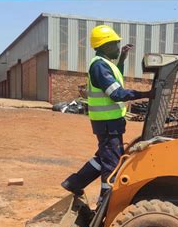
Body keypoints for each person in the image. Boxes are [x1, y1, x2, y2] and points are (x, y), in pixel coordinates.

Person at [61, 25, 153, 201]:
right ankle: (106, 200)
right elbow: (116, 93)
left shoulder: (105, 65)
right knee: (111, 164)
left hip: (108, 122)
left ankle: (74, 182)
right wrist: (146, 94)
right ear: (104, 46)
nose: (118, 48)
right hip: (107, 123)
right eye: (115, 44)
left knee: (102, 157)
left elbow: (115, 77)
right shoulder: (99, 67)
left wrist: (123, 60)